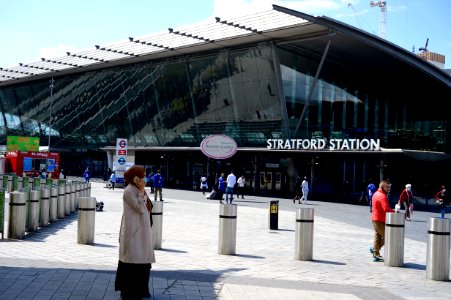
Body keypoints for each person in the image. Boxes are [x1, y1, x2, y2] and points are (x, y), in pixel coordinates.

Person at [115, 165, 155, 299]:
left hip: (143, 231)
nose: (144, 178)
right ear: (134, 177)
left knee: (143, 262)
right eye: (142, 176)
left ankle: (142, 289)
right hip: (133, 232)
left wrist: (142, 191)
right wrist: (142, 191)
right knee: (132, 261)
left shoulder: (138, 189)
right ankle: (128, 291)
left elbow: (148, 206)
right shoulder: (129, 191)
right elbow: (139, 208)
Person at [370, 180, 394, 262]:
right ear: (382, 187)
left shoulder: (376, 193)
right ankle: (375, 251)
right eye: (387, 187)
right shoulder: (382, 196)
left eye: (389, 187)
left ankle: (375, 254)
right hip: (379, 220)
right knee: (388, 236)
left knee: (378, 237)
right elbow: (386, 209)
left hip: (375, 218)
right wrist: (395, 212)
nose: (389, 189)